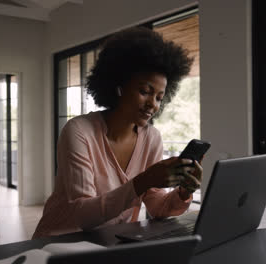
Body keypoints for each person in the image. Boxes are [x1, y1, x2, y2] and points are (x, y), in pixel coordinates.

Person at [33, 27, 202, 238]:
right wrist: (143, 181)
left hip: (110, 243)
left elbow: (157, 207)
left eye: (159, 97)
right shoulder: (79, 131)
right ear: (119, 86)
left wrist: (184, 192)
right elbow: (83, 216)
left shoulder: (152, 138)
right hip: (59, 242)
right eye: (145, 91)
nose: (153, 105)